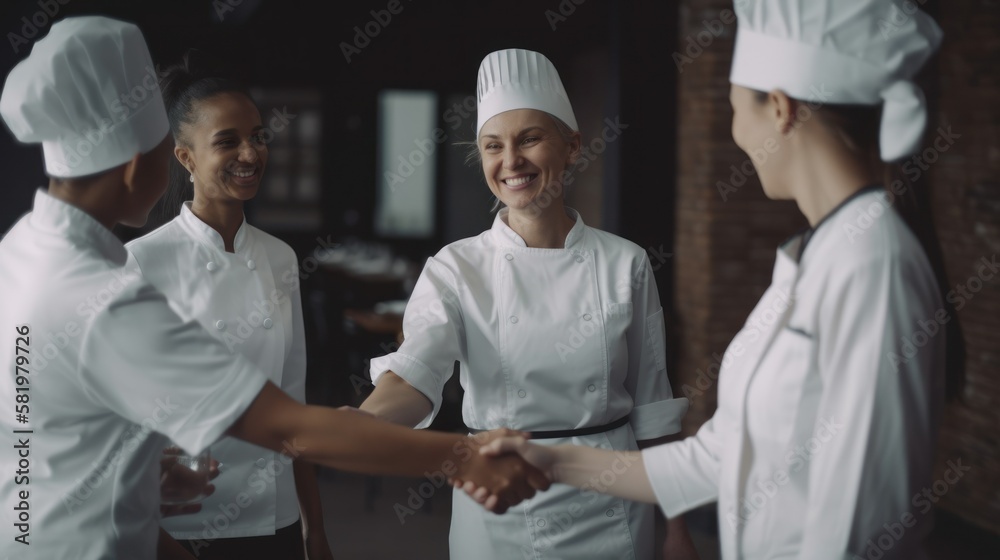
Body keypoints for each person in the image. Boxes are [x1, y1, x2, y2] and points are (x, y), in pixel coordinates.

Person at [0, 16, 548, 560]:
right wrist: (462, 455)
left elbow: (36, 439)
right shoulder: (106, 291)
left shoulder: (23, 253)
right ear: (143, 162)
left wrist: (136, 479)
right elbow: (288, 425)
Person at [462, 2, 966, 559]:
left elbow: (863, 525)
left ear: (778, 109)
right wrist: (550, 459)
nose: (736, 133)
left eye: (733, 107)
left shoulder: (874, 265)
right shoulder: (817, 256)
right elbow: (719, 459)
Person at [359, 48, 696, 559]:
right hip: (498, 502)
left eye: (530, 139)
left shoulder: (625, 263)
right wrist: (359, 425)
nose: (510, 161)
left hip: (612, 501)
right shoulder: (455, 268)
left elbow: (652, 409)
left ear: (573, 145)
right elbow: (413, 376)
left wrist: (676, 529)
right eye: (493, 146)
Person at [122, 52, 330, 559]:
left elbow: (294, 405)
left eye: (257, 136)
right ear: (186, 158)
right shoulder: (142, 262)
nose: (250, 153)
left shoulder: (281, 259)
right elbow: (120, 416)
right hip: (186, 518)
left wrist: (313, 527)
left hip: (274, 514)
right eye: (227, 141)